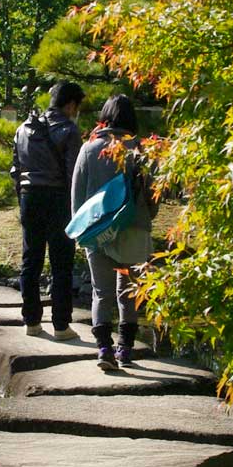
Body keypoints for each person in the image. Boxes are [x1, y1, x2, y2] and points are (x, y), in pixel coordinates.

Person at [71, 94, 157, 371]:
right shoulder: (142, 150)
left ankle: (104, 349)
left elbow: (77, 195)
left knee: (101, 292)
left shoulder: (89, 149)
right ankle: (126, 349)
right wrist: (144, 217)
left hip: (98, 230)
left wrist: (80, 230)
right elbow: (153, 196)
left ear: (104, 116)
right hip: (134, 228)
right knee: (129, 291)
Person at [12, 81, 86, 340]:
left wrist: (21, 198)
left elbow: (16, 169)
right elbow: (72, 176)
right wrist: (76, 209)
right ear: (71, 104)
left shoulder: (24, 128)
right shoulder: (69, 130)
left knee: (30, 260)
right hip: (57, 199)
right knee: (61, 263)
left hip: (28, 197)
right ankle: (61, 325)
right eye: (77, 106)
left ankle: (31, 322)